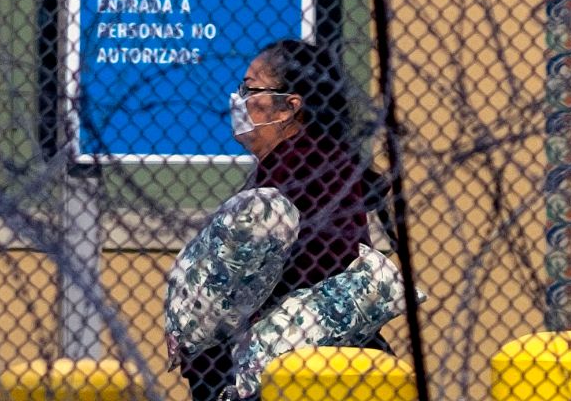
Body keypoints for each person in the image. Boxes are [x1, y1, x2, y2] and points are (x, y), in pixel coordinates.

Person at [162, 39, 405, 401]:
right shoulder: (322, 163)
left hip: (284, 371)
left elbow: (242, 282)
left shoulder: (298, 171)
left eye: (250, 88)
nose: (239, 99)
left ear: (290, 106)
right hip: (330, 360)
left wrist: (198, 349)